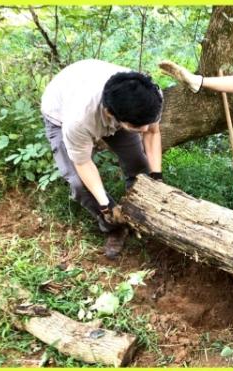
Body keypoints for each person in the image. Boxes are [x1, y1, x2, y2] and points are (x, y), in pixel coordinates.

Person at [40, 62, 164, 257]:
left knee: (139, 164)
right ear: (111, 115)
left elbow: (152, 133)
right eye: (139, 127)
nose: (146, 129)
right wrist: (106, 206)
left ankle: (141, 212)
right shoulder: (78, 120)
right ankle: (114, 227)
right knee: (80, 184)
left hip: (113, 107)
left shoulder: (148, 97)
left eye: (147, 123)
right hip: (60, 113)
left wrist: (156, 178)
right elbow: (83, 163)